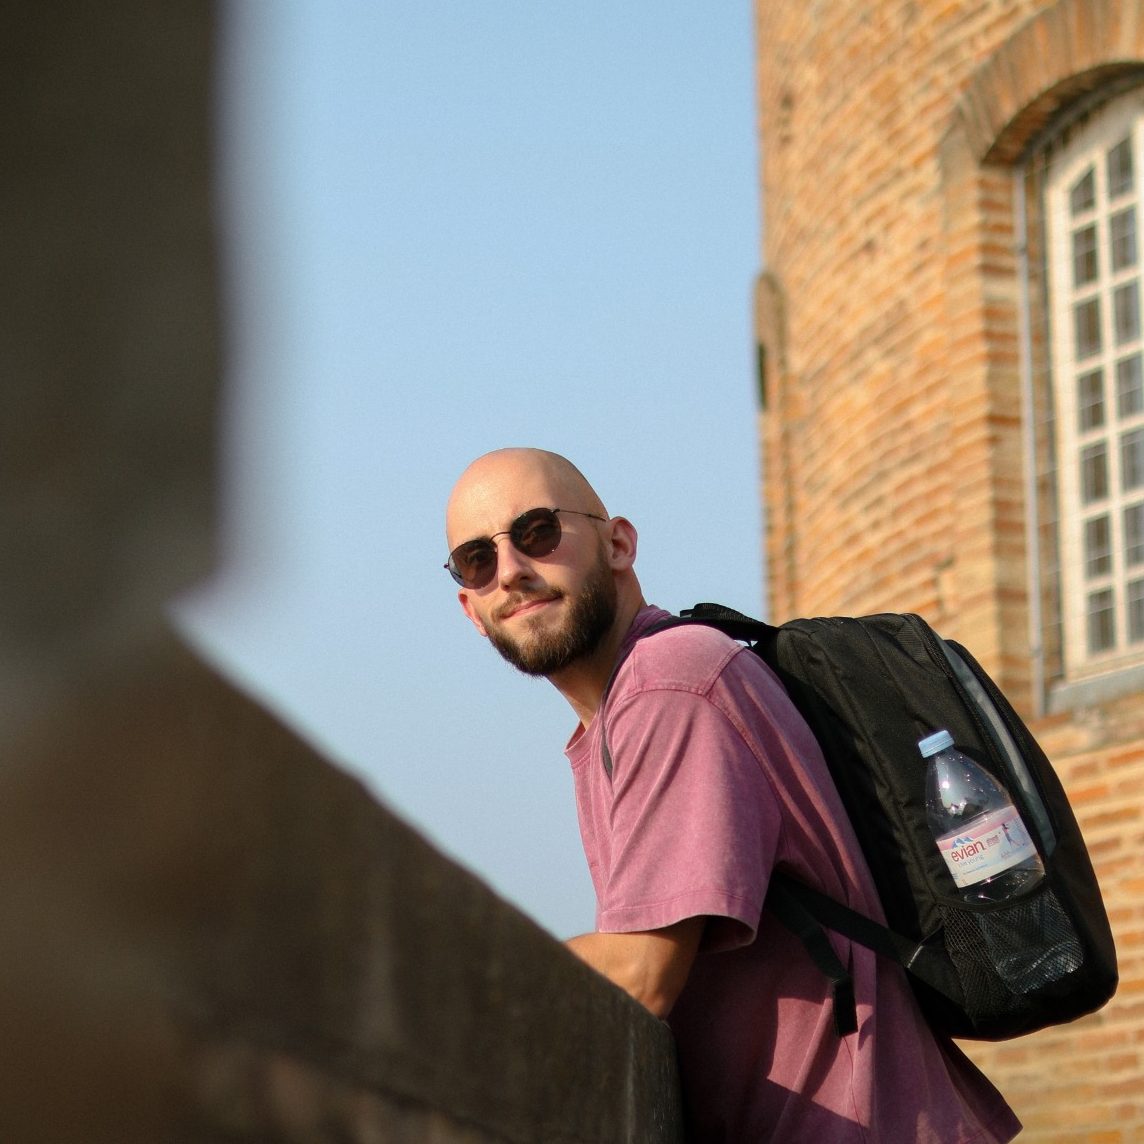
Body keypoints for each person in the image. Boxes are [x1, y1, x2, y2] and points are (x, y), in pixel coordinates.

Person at [444, 447, 1022, 1143]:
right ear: (470, 609)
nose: (511, 570)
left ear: (618, 542)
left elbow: (641, 970)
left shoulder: (669, 685)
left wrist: (444, 984)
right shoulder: (619, 717)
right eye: (479, 558)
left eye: (537, 531)